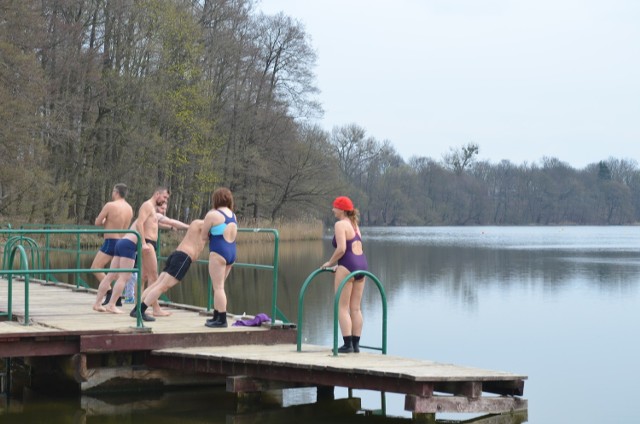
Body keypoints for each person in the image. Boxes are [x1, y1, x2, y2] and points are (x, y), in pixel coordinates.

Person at [95, 187, 171, 315]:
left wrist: (172, 227)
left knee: (112, 275)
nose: (165, 201)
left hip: (122, 241)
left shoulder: (150, 209)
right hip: (130, 243)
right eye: (164, 197)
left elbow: (156, 223)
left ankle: (97, 304)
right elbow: (140, 223)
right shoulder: (146, 206)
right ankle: (113, 304)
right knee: (125, 277)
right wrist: (143, 243)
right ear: (157, 194)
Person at [131, 219, 206, 321]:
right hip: (183, 257)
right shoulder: (203, 224)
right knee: (162, 287)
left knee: (157, 284)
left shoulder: (198, 223)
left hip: (177, 255)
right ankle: (140, 310)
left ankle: (137, 308)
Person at [321, 196, 369, 353]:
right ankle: (356, 345)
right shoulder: (354, 224)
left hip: (348, 265)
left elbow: (341, 249)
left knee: (342, 307)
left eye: (334, 207)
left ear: (341, 209)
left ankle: (347, 344)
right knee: (356, 308)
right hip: (362, 265)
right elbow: (355, 247)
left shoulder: (340, 224)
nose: (333, 210)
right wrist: (338, 266)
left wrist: (329, 263)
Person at [90, 183, 133, 304]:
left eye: (113, 191)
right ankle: (116, 298)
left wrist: (103, 221)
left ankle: (110, 292)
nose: (112, 193)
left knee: (95, 267)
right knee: (117, 273)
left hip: (111, 241)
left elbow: (98, 222)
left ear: (117, 192)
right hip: (123, 241)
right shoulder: (129, 208)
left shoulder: (110, 205)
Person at [201, 188, 238, 328]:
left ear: (215, 199)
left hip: (218, 252)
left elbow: (203, 236)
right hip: (231, 252)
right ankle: (216, 316)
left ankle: (222, 319)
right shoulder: (233, 215)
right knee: (219, 287)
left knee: (218, 287)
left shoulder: (212, 215)